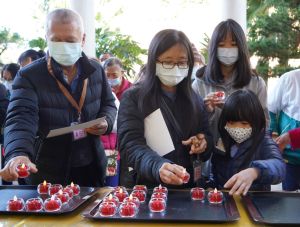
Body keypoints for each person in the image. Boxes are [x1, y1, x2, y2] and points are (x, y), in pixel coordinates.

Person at [0, 8, 117, 187]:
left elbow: (109, 103)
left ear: (83, 39)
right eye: (56, 40)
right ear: (46, 38)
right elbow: (20, 117)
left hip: (91, 165)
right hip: (48, 169)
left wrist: (106, 122)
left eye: (70, 40)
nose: (63, 46)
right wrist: (18, 153)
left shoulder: (96, 70)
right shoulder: (29, 75)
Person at [117, 29, 213, 188]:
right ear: (154, 61)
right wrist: (157, 166)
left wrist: (203, 144)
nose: (175, 68)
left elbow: (206, 136)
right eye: (168, 62)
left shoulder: (194, 98)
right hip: (147, 189)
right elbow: (130, 145)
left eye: (182, 62)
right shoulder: (134, 98)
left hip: (186, 188)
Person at [192, 19, 269, 183]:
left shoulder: (255, 82)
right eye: (221, 44)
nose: (227, 50)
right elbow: (194, 129)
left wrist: (238, 112)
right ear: (214, 48)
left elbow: (264, 125)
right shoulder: (199, 83)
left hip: (248, 167)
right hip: (211, 166)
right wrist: (208, 112)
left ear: (241, 47)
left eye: (233, 44)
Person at [212, 90, 285, 195]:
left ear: (256, 121)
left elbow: (279, 167)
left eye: (244, 123)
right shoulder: (224, 139)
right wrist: (211, 185)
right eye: (232, 123)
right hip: (226, 201)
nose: (237, 128)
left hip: (255, 202)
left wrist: (256, 171)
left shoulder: (263, 140)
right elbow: (215, 170)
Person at [268, 68, 300, 191]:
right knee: (289, 199)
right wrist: (274, 137)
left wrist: (292, 136)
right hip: (289, 158)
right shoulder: (289, 78)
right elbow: (270, 110)